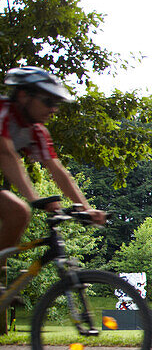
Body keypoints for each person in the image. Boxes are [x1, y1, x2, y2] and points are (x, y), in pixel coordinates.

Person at [0, 66, 106, 264]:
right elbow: (6, 154)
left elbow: (58, 171)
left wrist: (86, 209)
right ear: (23, 95)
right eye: (48, 101)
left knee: (18, 214)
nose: (53, 109)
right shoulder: (2, 110)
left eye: (56, 103)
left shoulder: (38, 132)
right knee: (19, 209)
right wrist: (35, 198)